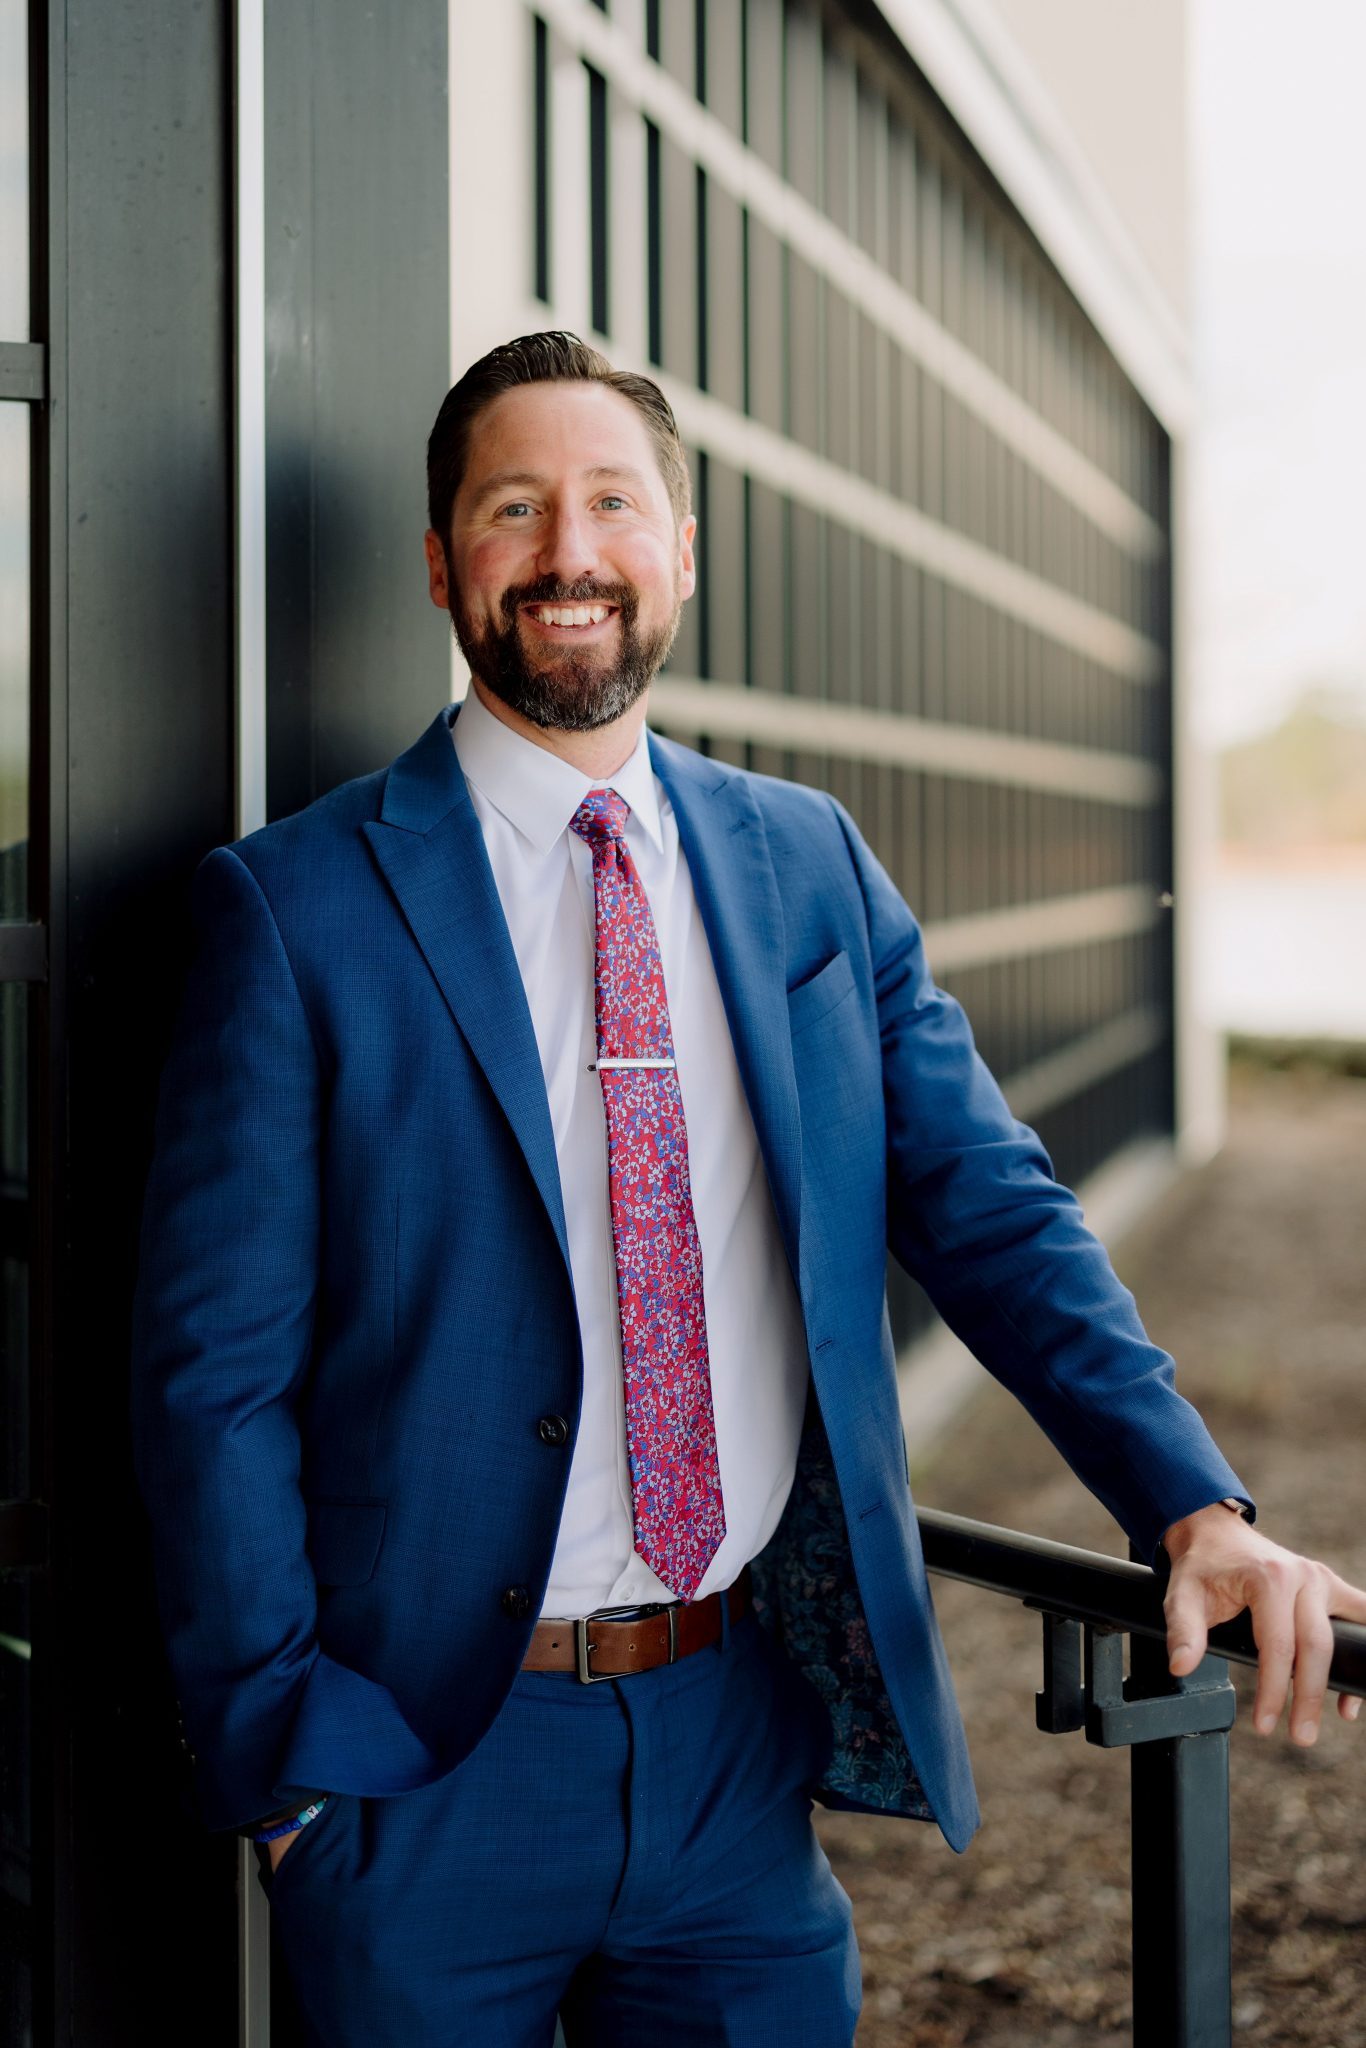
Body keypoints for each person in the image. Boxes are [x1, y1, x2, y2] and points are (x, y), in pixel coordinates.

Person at [130, 330, 1366, 2046]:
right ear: (443, 561)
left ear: (680, 549)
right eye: (513, 508)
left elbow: (990, 1210)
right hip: (420, 1767)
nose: (569, 551)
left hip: (734, 1741)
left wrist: (1193, 1505)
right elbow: (214, 1378)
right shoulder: (294, 907)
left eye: (612, 502)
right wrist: (290, 1769)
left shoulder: (805, 864)